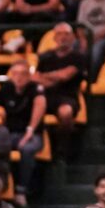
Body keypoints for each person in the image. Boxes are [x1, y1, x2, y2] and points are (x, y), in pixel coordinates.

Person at [0, 60, 46, 204]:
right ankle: (0, 186)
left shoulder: (36, 88)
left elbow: (40, 105)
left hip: (32, 133)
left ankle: (21, 189)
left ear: (29, 75)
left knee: (27, 148)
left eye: (23, 74)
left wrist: (30, 130)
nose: (19, 77)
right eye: (15, 74)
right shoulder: (5, 89)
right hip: (10, 133)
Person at [34, 22, 86, 157]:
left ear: (73, 38)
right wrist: (55, 77)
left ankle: (62, 149)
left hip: (68, 97)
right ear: (54, 37)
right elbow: (36, 78)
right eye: (59, 34)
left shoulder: (78, 57)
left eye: (67, 34)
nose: (63, 37)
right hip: (46, 96)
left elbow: (65, 76)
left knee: (65, 112)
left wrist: (47, 76)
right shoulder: (45, 57)